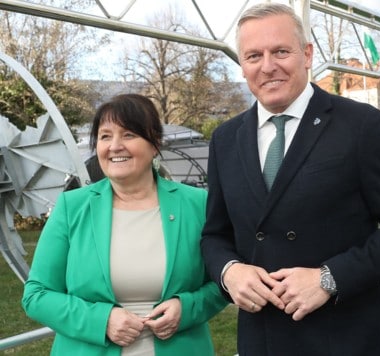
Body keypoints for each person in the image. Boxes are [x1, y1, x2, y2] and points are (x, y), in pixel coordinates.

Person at [200, 3, 380, 355]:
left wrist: (330, 278)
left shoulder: (360, 126)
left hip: (345, 338)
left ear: (306, 54)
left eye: (280, 51)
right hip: (262, 340)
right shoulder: (225, 139)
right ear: (242, 65)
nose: (268, 66)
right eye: (253, 55)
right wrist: (229, 272)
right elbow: (215, 236)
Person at [22, 94, 227, 355]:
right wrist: (101, 320)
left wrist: (187, 308)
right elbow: (37, 295)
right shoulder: (71, 207)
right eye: (105, 136)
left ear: (155, 143)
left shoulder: (198, 204)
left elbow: (223, 282)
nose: (115, 146)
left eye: (129, 134)